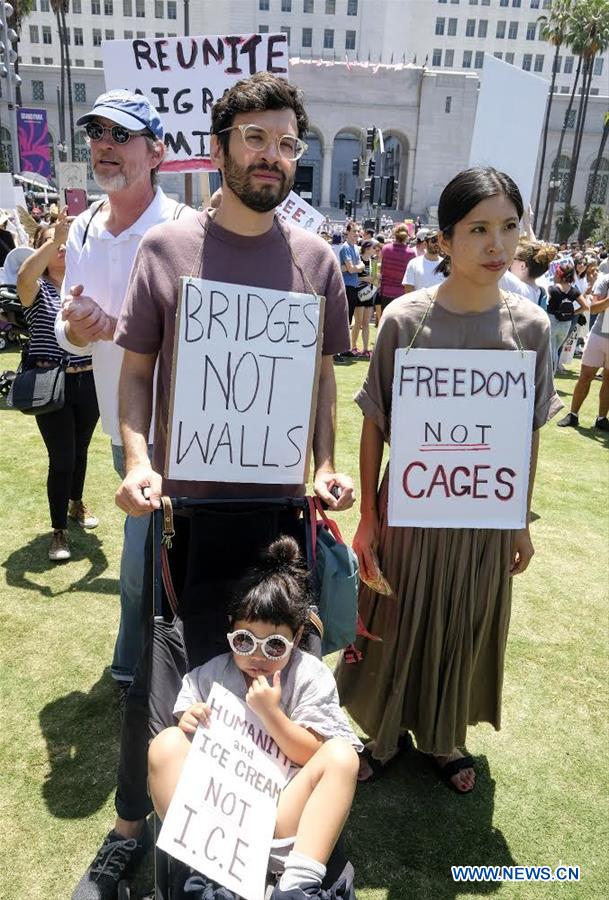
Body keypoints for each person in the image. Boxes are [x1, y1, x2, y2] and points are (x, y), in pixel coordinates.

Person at [72, 72, 354, 900]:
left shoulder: (317, 258)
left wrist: (326, 463)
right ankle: (176, 848)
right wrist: (135, 461)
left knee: (267, 677)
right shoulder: (168, 249)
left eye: (287, 144)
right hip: (187, 519)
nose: (273, 157)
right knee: (183, 691)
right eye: (256, 140)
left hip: (277, 518)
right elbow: (135, 379)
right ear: (223, 146)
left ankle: (266, 854)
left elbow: (322, 378)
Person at [335, 167, 562, 793]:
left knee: (464, 620)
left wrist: (519, 520)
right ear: (445, 238)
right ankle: (380, 736)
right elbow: (375, 422)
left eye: (510, 227)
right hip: (408, 511)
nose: (497, 245)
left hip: (484, 517)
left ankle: (444, 739)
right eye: (479, 229)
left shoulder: (532, 329)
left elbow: (528, 434)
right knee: (396, 618)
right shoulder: (404, 321)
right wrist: (371, 520)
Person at [54, 90, 191, 695]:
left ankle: (140, 666)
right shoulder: (83, 225)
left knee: (155, 560)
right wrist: (76, 326)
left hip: (184, 428)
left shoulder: (185, 228)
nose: (104, 147)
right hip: (123, 424)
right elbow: (69, 327)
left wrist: (119, 330)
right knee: (142, 558)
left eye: (120, 135)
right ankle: (144, 666)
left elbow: (200, 334)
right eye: (97, 135)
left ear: (156, 150)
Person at [148, 536, 361, 900]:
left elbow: (313, 754)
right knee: (166, 744)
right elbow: (184, 727)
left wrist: (271, 713)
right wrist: (190, 722)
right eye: (245, 641)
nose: (258, 656)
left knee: (342, 756)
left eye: (274, 645)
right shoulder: (212, 673)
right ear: (231, 632)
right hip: (221, 816)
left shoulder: (307, 675)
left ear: (296, 638)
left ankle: (296, 885)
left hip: (282, 813)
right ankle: (211, 874)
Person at [16, 210, 99, 561]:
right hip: (51, 384)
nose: (63, 249)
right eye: (54, 244)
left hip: (88, 381)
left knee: (80, 452)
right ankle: (58, 531)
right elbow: (23, 276)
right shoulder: (38, 291)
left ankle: (76, 502)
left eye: (66, 244)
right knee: (62, 458)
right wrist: (55, 239)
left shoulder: (83, 284)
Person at [557, 269, 609, 432]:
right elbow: (593, 309)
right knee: (585, 376)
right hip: (599, 335)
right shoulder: (605, 280)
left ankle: (602, 419)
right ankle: (573, 414)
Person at [546, 261, 585, 373]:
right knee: (556, 350)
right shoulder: (574, 290)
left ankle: (549, 378)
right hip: (566, 323)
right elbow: (585, 306)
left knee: (550, 351)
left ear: (559, 274)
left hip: (552, 320)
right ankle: (552, 376)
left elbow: (545, 304)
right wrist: (573, 313)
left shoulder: (552, 289)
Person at [377, 224, 415, 320]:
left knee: (385, 323)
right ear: (407, 236)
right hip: (402, 294)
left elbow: (381, 269)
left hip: (386, 292)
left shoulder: (386, 249)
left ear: (395, 234)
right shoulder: (411, 253)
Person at [350, 239, 379, 358]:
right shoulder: (359, 259)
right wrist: (366, 279)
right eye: (373, 248)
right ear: (367, 248)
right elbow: (354, 276)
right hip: (359, 294)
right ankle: (353, 347)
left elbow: (375, 279)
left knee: (366, 323)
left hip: (369, 294)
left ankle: (366, 349)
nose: (375, 250)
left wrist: (374, 279)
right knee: (358, 322)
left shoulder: (374, 262)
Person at [509, 240, 557, 308]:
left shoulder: (514, 286)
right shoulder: (542, 291)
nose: (509, 262)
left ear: (523, 266)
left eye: (513, 258)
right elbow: (535, 254)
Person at [339, 222, 365, 323]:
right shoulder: (346, 247)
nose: (357, 233)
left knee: (349, 319)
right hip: (347, 286)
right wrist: (357, 267)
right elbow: (351, 269)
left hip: (354, 285)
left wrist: (355, 267)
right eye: (354, 231)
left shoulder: (355, 247)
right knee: (345, 320)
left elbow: (358, 267)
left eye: (358, 231)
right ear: (348, 232)